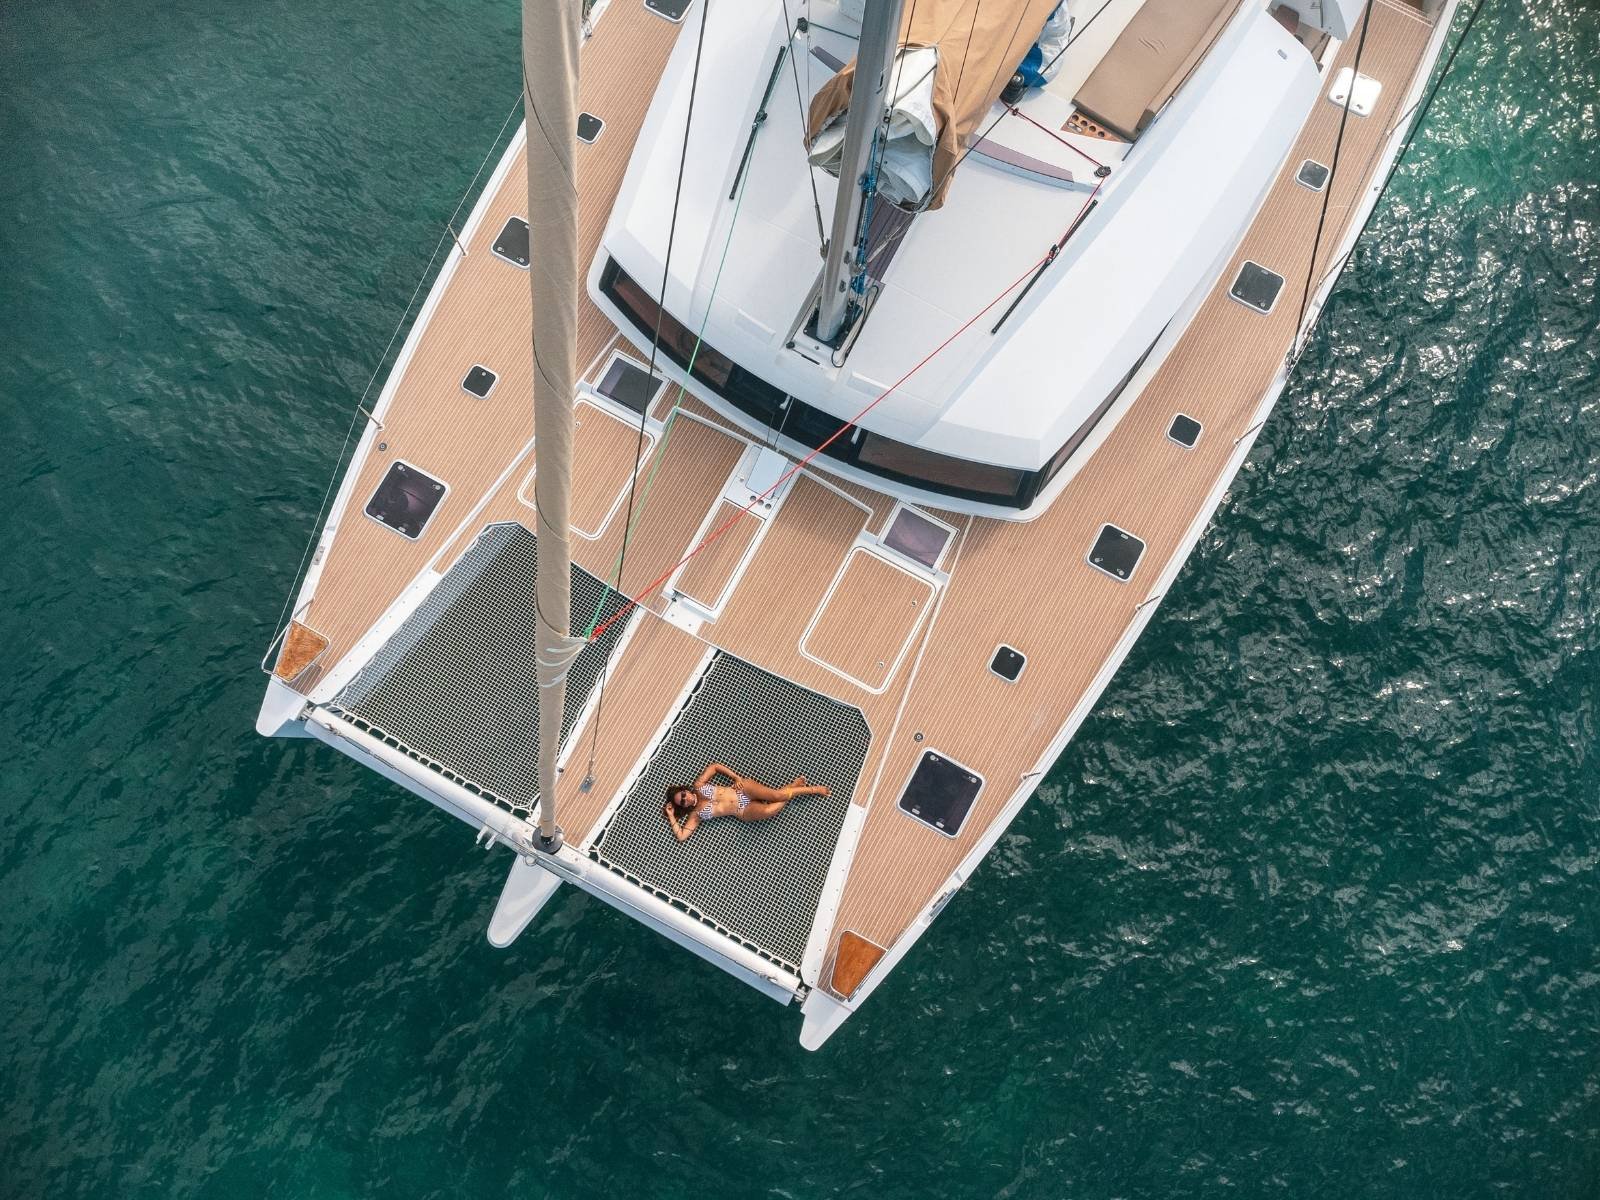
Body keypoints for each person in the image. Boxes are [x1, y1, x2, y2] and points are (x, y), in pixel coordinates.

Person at [664, 763, 829, 843]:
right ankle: (792, 787)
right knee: (770, 811)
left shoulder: (699, 785)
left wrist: (735, 777)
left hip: (743, 790)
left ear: (685, 790)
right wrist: (671, 815)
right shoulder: (695, 815)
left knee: (777, 796)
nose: (686, 799)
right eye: (682, 802)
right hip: (742, 810)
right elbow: (681, 836)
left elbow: (714, 767)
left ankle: (813, 790)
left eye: (683, 795)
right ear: (683, 807)